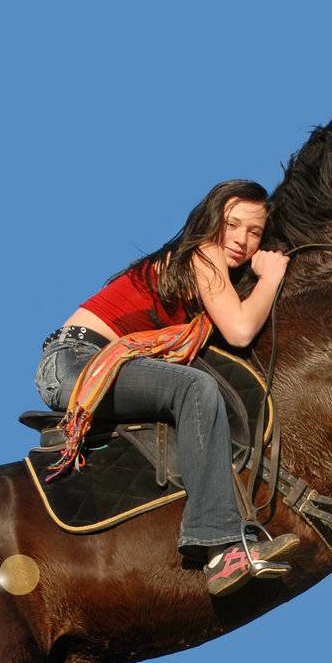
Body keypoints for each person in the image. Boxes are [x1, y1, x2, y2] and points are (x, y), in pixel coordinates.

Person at [33, 179, 301, 597]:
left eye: (254, 233)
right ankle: (218, 541)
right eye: (233, 224)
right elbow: (242, 328)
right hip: (75, 361)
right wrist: (272, 276)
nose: (242, 240)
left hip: (95, 362)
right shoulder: (203, 254)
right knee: (194, 389)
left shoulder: (211, 279)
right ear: (212, 220)